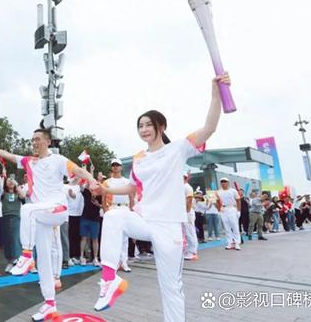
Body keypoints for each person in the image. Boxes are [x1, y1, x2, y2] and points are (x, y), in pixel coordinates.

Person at [94, 74, 231, 321]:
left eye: (148, 124)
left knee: (171, 288)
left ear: (161, 127)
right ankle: (109, 280)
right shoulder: (139, 158)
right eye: (140, 126)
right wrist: (105, 190)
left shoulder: (177, 150)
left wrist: (216, 93)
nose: (143, 129)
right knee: (114, 216)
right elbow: (132, 188)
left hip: (168, 227)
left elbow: (209, 127)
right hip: (146, 220)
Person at [0, 129, 98, 321]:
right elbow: (7, 155)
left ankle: (26, 255)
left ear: (48, 141)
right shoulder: (29, 161)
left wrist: (93, 181)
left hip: (58, 210)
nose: (34, 142)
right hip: (42, 216)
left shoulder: (58, 160)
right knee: (44, 263)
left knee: (27, 209)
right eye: (32, 139)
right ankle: (50, 304)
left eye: (37, 139)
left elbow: (77, 170)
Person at [103, 159, 133, 272]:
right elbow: (104, 197)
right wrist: (105, 210)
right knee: (113, 237)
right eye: (113, 165)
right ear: (111, 167)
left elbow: (131, 196)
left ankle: (124, 262)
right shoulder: (107, 182)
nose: (115, 167)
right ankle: (114, 263)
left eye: (117, 165)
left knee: (125, 237)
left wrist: (132, 209)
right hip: (113, 207)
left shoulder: (127, 181)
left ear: (121, 167)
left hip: (125, 207)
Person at [1, 176, 26, 273]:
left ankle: (18, 261)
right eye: (9, 180)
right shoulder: (3, 193)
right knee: (7, 240)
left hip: (16, 217)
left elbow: (23, 196)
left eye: (12, 180)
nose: (10, 182)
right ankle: (10, 262)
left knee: (15, 239)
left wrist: (16, 183)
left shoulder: (17, 193)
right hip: (5, 218)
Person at [65, 177, 83, 265]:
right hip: (69, 215)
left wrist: (87, 169)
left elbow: (86, 183)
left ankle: (76, 256)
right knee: (70, 237)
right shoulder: (65, 187)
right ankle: (69, 256)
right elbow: (72, 196)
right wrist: (71, 195)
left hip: (79, 215)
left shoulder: (79, 187)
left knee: (77, 237)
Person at [182, 174, 199, 260]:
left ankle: (192, 252)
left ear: (184, 178)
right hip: (182, 212)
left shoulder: (187, 187)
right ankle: (188, 250)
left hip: (187, 212)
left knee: (190, 232)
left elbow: (189, 200)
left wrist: (187, 212)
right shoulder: (180, 187)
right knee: (186, 232)